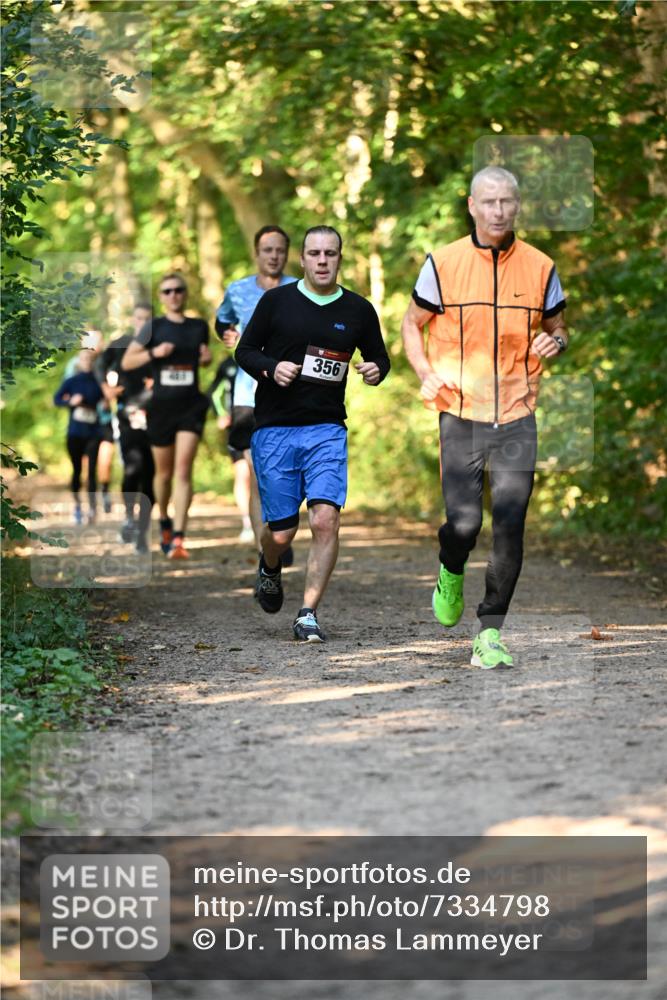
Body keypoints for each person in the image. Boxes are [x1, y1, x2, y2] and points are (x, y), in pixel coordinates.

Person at [401, 166, 569, 669]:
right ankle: (450, 567)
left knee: (511, 524)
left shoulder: (540, 266)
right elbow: (412, 324)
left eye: (507, 202)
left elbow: (560, 328)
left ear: (517, 206)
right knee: (464, 523)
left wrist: (554, 341)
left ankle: (489, 632)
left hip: (517, 411)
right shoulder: (443, 263)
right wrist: (424, 371)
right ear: (471, 206)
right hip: (460, 411)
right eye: (489, 202)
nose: (499, 211)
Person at [236, 225, 391, 642]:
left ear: (340, 258)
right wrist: (271, 368)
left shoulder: (358, 310)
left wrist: (377, 370)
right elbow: (244, 351)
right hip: (275, 430)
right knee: (282, 533)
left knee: (325, 520)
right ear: (301, 260)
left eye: (331, 254)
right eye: (315, 254)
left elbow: (379, 358)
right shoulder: (276, 303)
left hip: (326, 430)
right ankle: (269, 565)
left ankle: (308, 612)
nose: (323, 261)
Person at [215, 226, 297, 552]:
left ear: (287, 254)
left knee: (288, 473)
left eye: (279, 250)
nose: (274, 256)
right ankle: (269, 550)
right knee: (257, 472)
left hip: (293, 393)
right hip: (249, 394)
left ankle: (281, 528)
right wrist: (228, 335)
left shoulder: (301, 288)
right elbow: (222, 321)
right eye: (267, 250)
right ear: (257, 253)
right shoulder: (237, 291)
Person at [121, 274, 211, 560]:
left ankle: (180, 539)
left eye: (178, 290)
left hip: (191, 406)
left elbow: (203, 357)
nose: (173, 295)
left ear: (185, 294)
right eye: (167, 291)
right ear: (161, 297)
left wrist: (205, 358)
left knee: (183, 470)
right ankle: (164, 520)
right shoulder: (152, 327)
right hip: (161, 407)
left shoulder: (198, 326)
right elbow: (127, 361)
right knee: (164, 473)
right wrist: (154, 352)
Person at [98, 302, 154, 552]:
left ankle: (143, 532)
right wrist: (105, 388)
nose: (143, 323)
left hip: (156, 417)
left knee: (150, 476)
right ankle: (130, 517)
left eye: (148, 320)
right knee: (132, 469)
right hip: (126, 414)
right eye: (140, 319)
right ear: (134, 320)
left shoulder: (159, 347)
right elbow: (100, 364)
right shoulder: (121, 342)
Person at [207, 354, 255, 542]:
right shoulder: (228, 364)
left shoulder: (270, 354)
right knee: (243, 473)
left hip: (263, 421)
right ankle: (247, 523)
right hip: (237, 424)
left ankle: (268, 522)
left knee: (258, 475)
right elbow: (213, 392)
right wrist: (222, 414)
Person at [54, 348, 103, 524]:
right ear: (78, 361)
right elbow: (57, 399)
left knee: (92, 472)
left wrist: (105, 402)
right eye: (83, 358)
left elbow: (108, 399)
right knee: (77, 470)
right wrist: (70, 402)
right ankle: (77, 507)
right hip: (75, 432)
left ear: (93, 361)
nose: (87, 361)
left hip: (94, 432)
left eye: (90, 358)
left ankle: (92, 508)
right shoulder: (71, 381)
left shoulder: (99, 381)